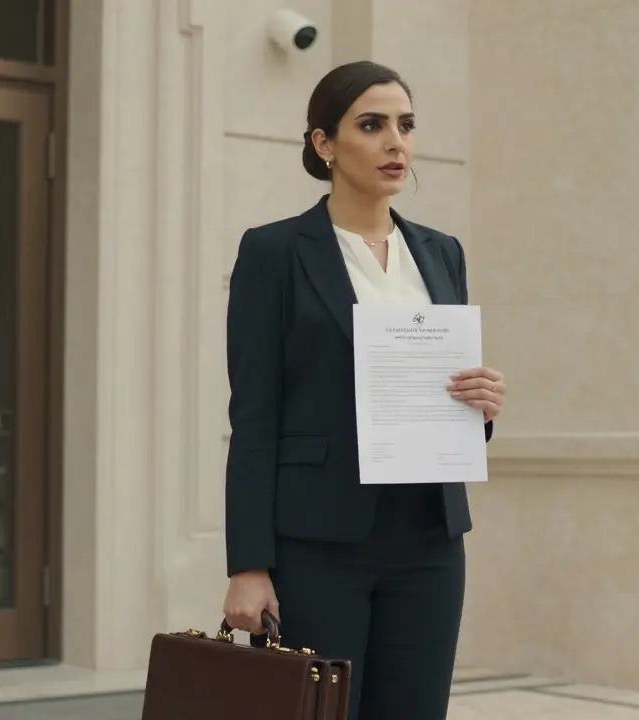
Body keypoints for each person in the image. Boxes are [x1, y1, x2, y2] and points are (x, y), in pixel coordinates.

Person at [220, 60, 506, 720]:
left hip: (429, 541)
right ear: (324, 144)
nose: (395, 142)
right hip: (319, 545)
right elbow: (254, 417)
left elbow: (442, 390)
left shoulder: (441, 252)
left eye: (405, 125)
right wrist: (249, 564)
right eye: (371, 125)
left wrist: (480, 405)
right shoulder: (275, 253)